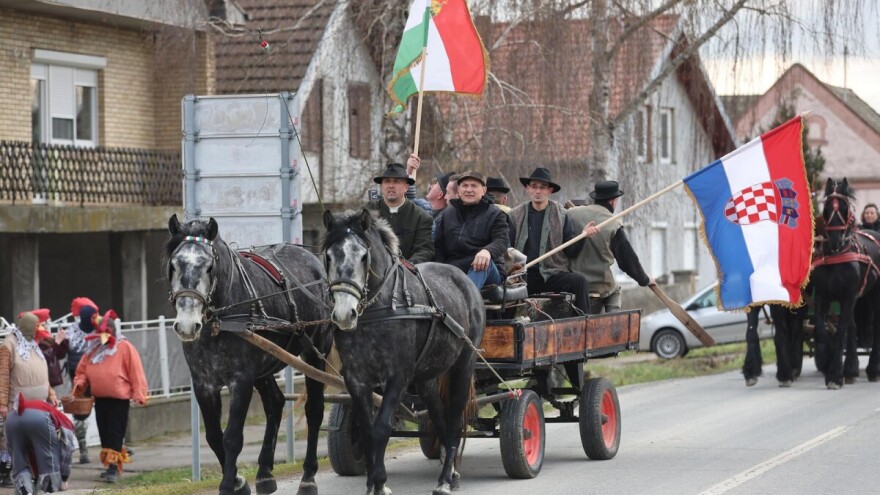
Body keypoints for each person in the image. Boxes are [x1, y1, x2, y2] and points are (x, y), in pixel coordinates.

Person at [73, 309, 147, 483]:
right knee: (104, 433)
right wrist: (80, 384)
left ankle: (113, 468)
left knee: (115, 433)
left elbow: (136, 372)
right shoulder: (94, 348)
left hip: (118, 400)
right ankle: (110, 465)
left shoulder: (125, 347)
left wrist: (139, 393)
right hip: (100, 398)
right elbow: (82, 370)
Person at [509, 168, 597, 313]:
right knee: (504, 290)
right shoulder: (514, 215)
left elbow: (571, 252)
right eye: (534, 186)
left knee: (580, 281)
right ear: (528, 189)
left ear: (550, 190)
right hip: (524, 277)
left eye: (543, 187)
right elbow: (508, 249)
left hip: (552, 274)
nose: (538, 191)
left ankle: (583, 323)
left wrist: (583, 237)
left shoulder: (562, 215)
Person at [568, 181, 654, 313]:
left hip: (572, 282)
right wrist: (645, 280)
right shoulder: (613, 224)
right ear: (613, 201)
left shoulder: (571, 213)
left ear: (595, 197)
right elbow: (627, 261)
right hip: (598, 285)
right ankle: (614, 319)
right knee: (615, 289)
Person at [0, 312, 61, 494]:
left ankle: (40, 485)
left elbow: (42, 374)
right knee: (18, 449)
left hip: (39, 407)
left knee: (39, 449)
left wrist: (51, 393)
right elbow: (3, 376)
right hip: (17, 408)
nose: (39, 329)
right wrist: (2, 403)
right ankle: (22, 486)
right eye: (37, 326)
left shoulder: (34, 344)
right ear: (28, 326)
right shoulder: (9, 346)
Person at [434, 171, 510, 289]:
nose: (469, 190)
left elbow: (502, 240)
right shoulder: (447, 214)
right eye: (465, 186)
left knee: (481, 264)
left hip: (486, 269)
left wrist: (487, 251)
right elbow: (438, 246)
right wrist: (439, 270)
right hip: (453, 269)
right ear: (459, 190)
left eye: (474, 186)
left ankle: (466, 298)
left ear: (484, 190)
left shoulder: (496, 214)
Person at [367, 162, 435, 263]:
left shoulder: (421, 217)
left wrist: (406, 266)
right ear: (381, 186)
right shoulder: (368, 211)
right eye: (387, 181)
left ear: (406, 187)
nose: (391, 186)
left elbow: (424, 250)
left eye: (396, 181)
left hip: (407, 270)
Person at [66, 297, 100, 464]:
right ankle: (83, 447)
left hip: (99, 373)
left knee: (106, 408)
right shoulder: (72, 330)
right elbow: (66, 349)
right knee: (80, 412)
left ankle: (115, 445)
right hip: (78, 375)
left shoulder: (100, 330)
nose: (96, 319)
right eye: (93, 317)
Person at [26, 309, 68, 391]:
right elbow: (44, 356)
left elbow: (59, 355)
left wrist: (63, 342)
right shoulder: (31, 340)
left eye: (46, 324)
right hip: (40, 379)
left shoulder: (47, 338)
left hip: (50, 378)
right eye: (43, 324)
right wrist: (57, 342)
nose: (46, 327)